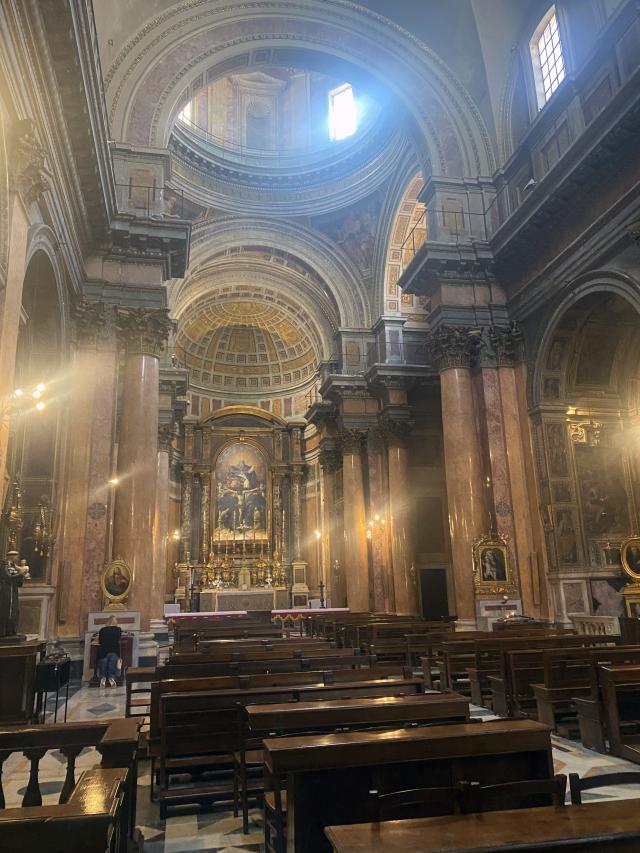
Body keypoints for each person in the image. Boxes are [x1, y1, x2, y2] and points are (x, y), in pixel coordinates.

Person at [97, 616, 122, 688]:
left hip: (103, 651)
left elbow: (100, 641)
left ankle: (103, 679)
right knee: (112, 666)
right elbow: (118, 638)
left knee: (103, 666)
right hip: (114, 651)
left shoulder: (102, 630)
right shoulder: (118, 629)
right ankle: (112, 678)